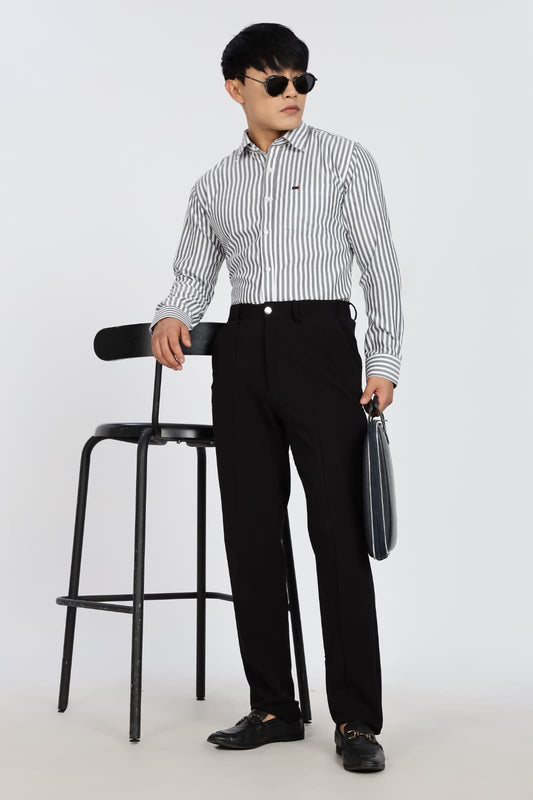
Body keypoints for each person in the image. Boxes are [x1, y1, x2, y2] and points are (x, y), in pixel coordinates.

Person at [150, 22, 404, 773]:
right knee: (252, 535)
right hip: (240, 353)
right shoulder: (212, 184)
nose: (292, 93)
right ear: (237, 89)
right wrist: (173, 313)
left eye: (302, 80)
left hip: (322, 346)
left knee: (338, 537)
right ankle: (274, 705)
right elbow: (195, 276)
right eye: (276, 82)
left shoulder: (344, 162)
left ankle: (356, 719)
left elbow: (379, 264)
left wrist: (382, 359)